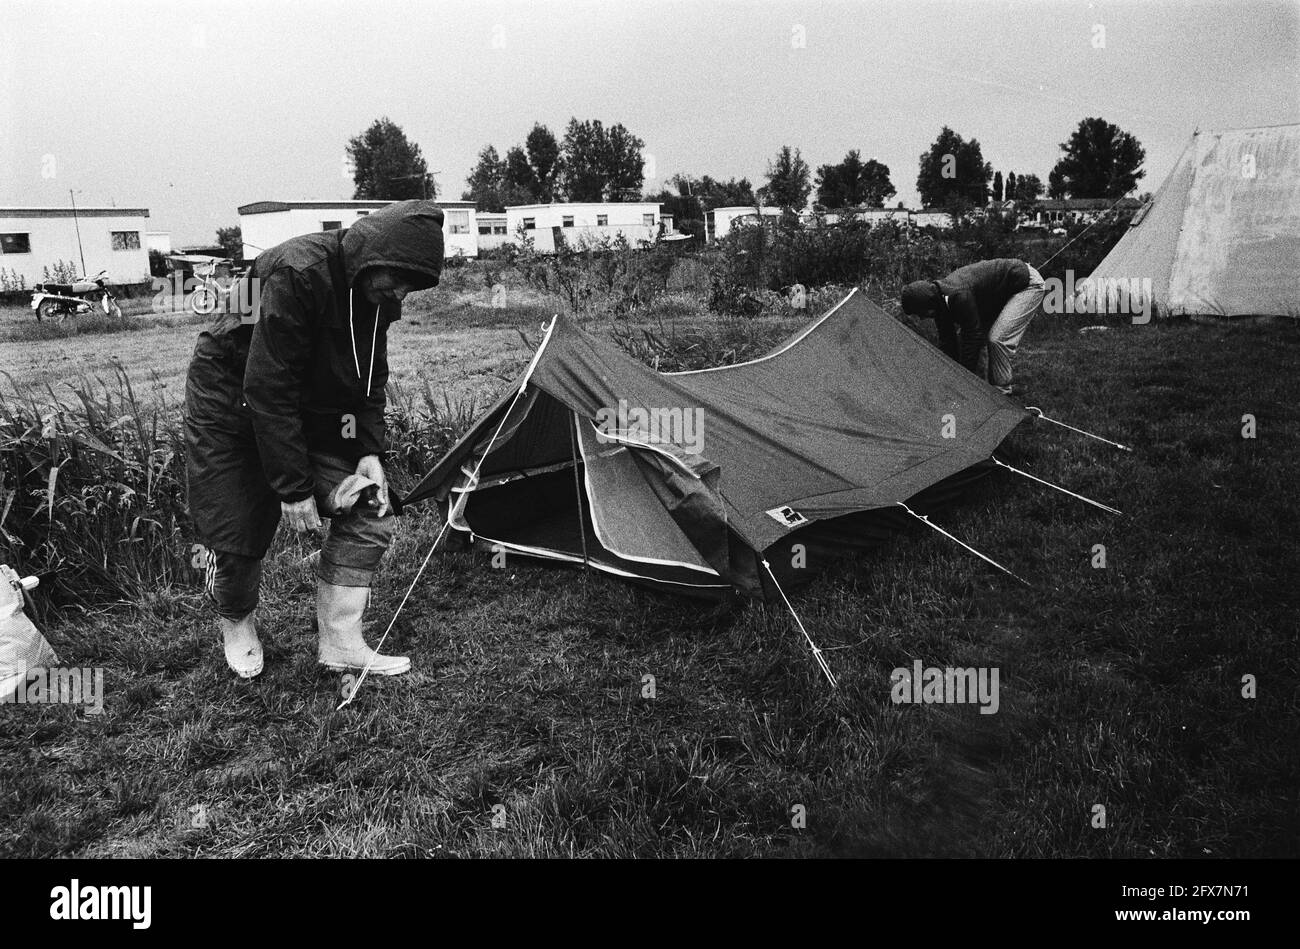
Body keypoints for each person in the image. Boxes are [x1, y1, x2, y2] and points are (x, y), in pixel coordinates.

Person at [184, 200, 445, 679]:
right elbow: (267, 384)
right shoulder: (295, 272)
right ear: (372, 256)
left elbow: (369, 375)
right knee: (236, 531)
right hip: (228, 402)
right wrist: (294, 488)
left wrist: (366, 449)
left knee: (369, 507)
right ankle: (237, 624)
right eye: (399, 278)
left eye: (412, 284)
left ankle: (341, 644)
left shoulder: (377, 296)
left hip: (303, 403)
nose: (402, 293)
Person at [900, 258, 1045, 394]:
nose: (920, 317)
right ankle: (980, 392)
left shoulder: (958, 296)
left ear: (926, 304)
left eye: (919, 312)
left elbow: (972, 337)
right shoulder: (940, 303)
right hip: (997, 294)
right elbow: (948, 342)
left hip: (1027, 284)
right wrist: (950, 375)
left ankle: (1002, 393)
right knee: (973, 341)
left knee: (997, 338)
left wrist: (964, 379)